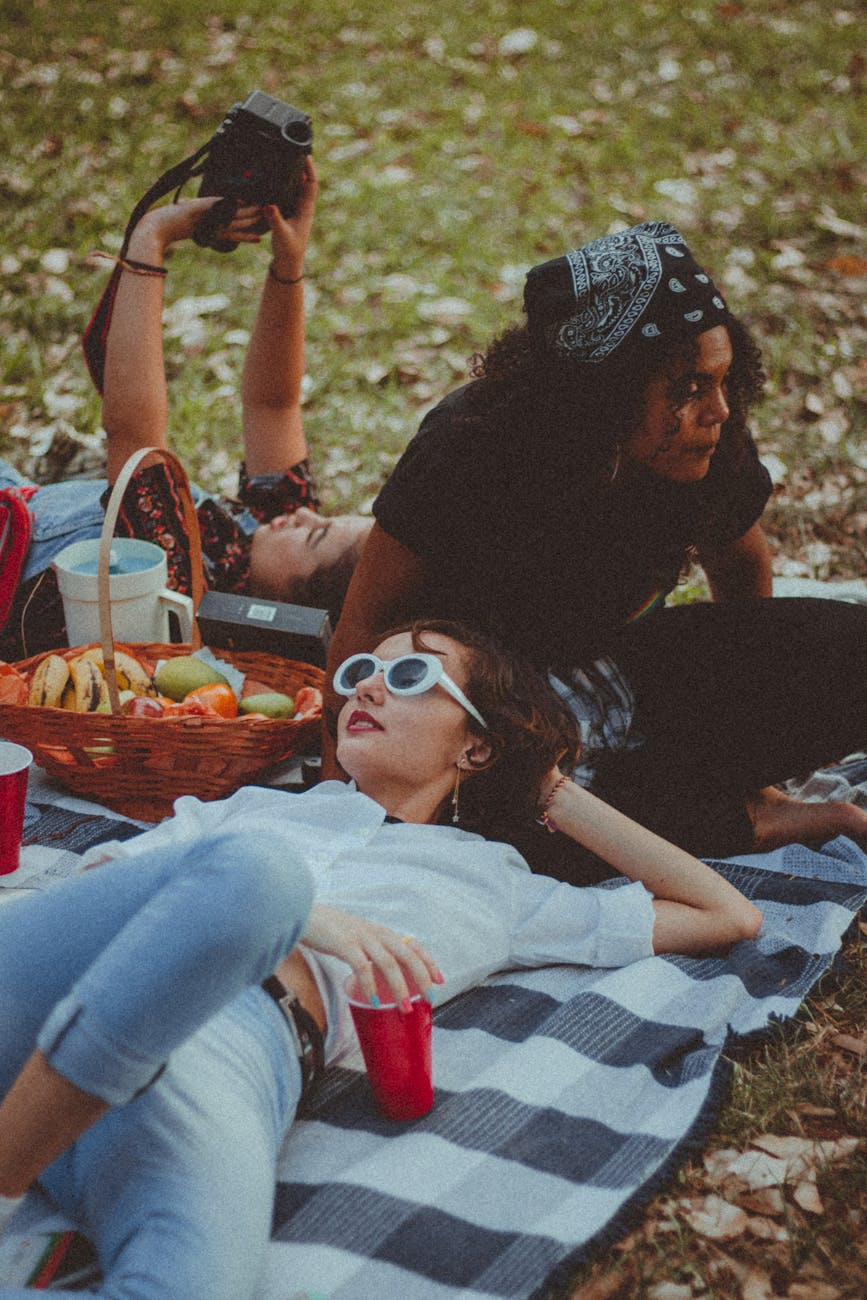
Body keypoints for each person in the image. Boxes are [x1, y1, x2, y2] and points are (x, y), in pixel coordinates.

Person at [0, 617, 761, 1299]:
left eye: (409, 675)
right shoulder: (253, 809)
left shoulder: (498, 886)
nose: (365, 682)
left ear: (477, 743)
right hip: (76, 983)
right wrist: (305, 919)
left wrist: (547, 787)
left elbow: (723, 912)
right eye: (362, 669)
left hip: (231, 1056)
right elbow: (103, 886)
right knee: (257, 878)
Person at [324, 221, 867, 864]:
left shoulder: (705, 436)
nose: (718, 410)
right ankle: (756, 822)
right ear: (603, 397)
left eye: (723, 380)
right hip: (485, 714)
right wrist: (337, 811)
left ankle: (737, 804)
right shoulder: (466, 448)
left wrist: (748, 726)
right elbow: (362, 629)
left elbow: (743, 571)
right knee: (511, 835)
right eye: (689, 388)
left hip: (618, 676)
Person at [0, 157, 371, 662]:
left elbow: (133, 434)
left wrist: (150, 242)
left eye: (315, 534)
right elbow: (272, 404)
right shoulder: (264, 539)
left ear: (294, 612)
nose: (303, 513)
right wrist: (290, 263)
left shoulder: (182, 580)